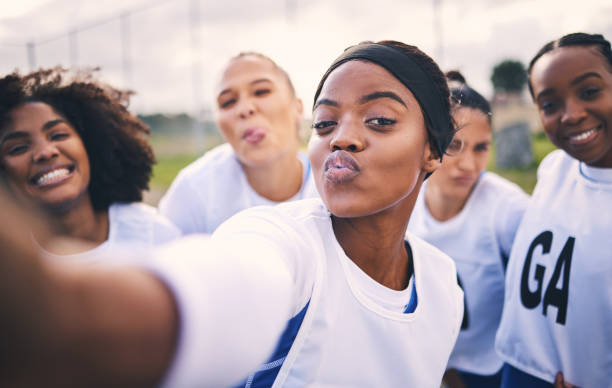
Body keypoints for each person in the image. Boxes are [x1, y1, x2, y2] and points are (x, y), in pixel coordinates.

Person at [0, 41, 463, 388]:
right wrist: (55, 308)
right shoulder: (279, 240)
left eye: (379, 119)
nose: (341, 137)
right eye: (325, 124)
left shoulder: (442, 287)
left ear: (432, 151)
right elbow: (221, 286)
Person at [495, 32, 612, 388]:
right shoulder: (554, 168)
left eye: (590, 92)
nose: (572, 114)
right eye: (549, 104)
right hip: (520, 365)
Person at [407, 71, 528, 388]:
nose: (469, 164)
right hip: (426, 361)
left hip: (492, 365)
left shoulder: (507, 208)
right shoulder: (402, 201)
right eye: (455, 145)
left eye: (481, 148)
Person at [0, 68, 180, 261]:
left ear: (90, 145)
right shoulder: (10, 265)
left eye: (58, 135)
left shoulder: (154, 234)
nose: (45, 152)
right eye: (18, 148)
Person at [159, 52, 318, 234]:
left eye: (261, 91)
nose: (244, 109)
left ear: (298, 108)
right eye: (228, 102)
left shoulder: (336, 183)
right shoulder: (193, 191)